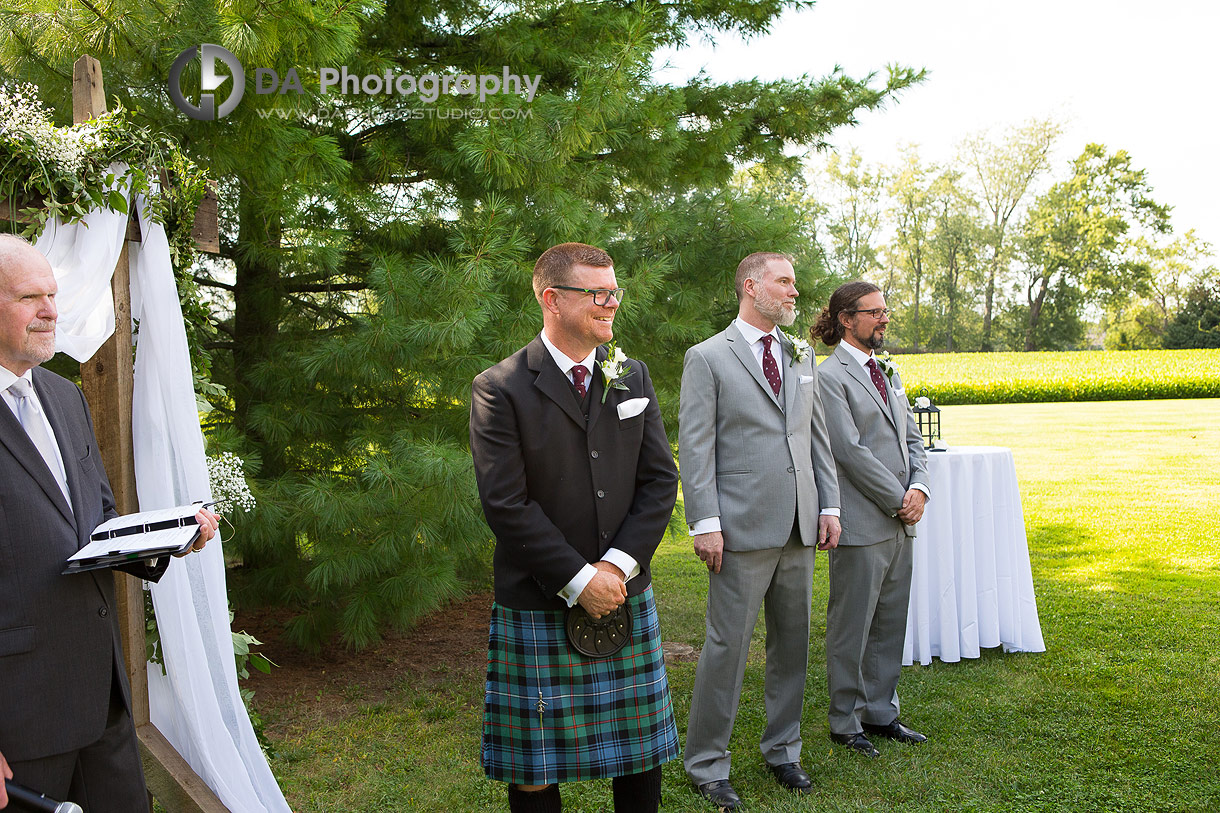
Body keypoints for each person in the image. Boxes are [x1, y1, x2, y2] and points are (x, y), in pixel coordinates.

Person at [0, 234, 218, 811]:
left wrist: (166, 540)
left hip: (102, 698)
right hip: (18, 718)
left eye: (53, 294)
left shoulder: (64, 397)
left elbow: (97, 520)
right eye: (30, 297)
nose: (51, 310)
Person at [468, 242, 680, 813]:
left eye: (614, 292)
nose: (611, 303)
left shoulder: (630, 375)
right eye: (597, 293)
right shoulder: (501, 387)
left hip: (624, 591)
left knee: (640, 754)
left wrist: (616, 567)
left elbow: (660, 482)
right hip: (538, 598)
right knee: (534, 766)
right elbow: (506, 504)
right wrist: (579, 579)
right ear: (551, 299)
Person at [679, 251, 841, 810]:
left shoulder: (800, 354)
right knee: (726, 648)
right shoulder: (707, 358)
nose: (795, 292)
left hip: (800, 525)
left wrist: (830, 506)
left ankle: (783, 750)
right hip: (740, 530)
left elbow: (815, 435)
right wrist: (705, 522)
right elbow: (696, 448)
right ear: (752, 286)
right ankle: (706, 763)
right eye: (785, 282)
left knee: (792, 644)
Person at [812, 281, 930, 758]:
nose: (884, 319)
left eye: (885, 310)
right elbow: (848, 451)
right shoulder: (829, 376)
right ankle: (845, 721)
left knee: (889, 623)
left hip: (903, 521)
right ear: (846, 319)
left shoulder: (888, 370)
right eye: (874, 312)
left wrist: (920, 488)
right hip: (863, 521)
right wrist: (898, 498)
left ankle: (881, 712)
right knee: (852, 625)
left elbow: (914, 438)